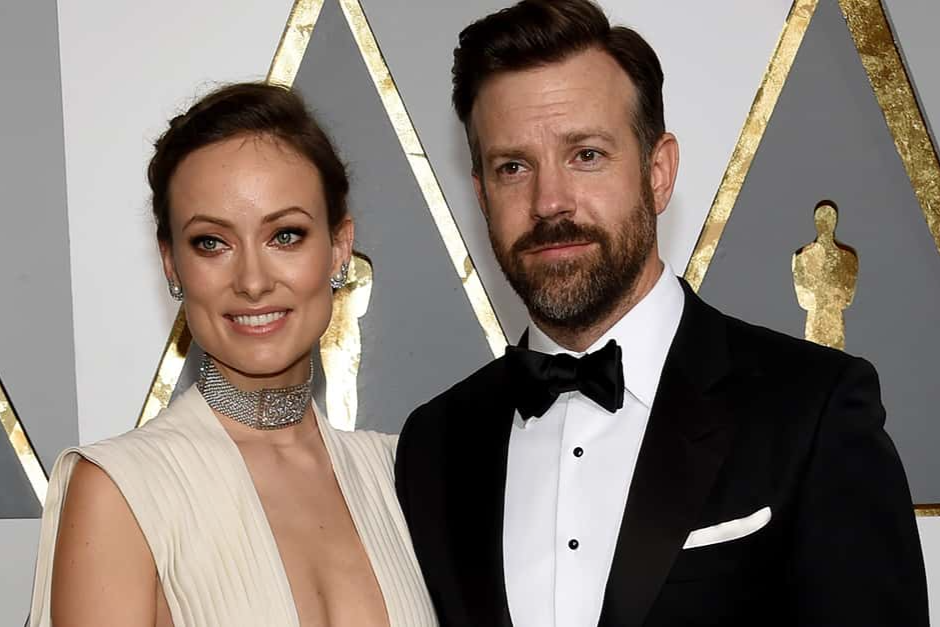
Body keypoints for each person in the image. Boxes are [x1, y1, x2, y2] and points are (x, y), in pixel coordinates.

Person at [394, 1, 929, 625]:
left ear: (658, 172)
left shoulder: (812, 412)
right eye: (513, 167)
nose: (549, 201)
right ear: (482, 195)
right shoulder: (434, 445)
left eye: (586, 154)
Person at [30, 83, 437, 627]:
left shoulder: (403, 474)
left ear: (339, 248)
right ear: (171, 264)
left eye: (286, 235)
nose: (251, 281)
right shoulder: (119, 490)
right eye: (211, 243)